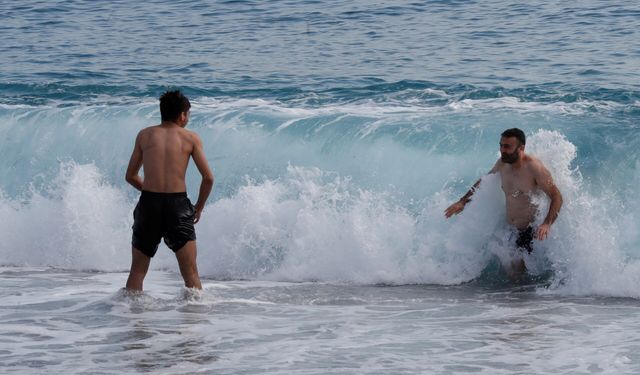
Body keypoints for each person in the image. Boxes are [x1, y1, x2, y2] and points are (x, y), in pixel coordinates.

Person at [124, 90, 214, 291]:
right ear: (183, 115)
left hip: (149, 204)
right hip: (177, 206)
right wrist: (198, 208)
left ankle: (130, 317)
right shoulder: (190, 138)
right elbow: (208, 178)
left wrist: (149, 190)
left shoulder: (145, 135)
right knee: (190, 273)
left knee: (137, 272)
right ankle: (194, 319)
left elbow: (130, 175)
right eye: (188, 114)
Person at [444, 128, 563, 274]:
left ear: (521, 148)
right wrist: (462, 201)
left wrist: (546, 224)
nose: (502, 150)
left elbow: (557, 196)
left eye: (507, 147)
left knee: (516, 272)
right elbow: (484, 181)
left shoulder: (534, 168)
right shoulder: (502, 163)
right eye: (501, 145)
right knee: (512, 274)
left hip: (529, 230)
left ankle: (520, 295)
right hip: (510, 229)